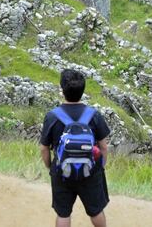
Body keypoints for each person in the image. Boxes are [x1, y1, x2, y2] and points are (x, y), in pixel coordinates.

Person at [40, 69, 110, 227]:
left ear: (62, 90)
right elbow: (104, 147)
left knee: (63, 213)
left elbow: (44, 148)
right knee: (96, 211)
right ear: (83, 91)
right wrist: (100, 167)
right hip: (90, 172)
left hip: (62, 172)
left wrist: (51, 167)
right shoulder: (94, 115)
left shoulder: (52, 116)